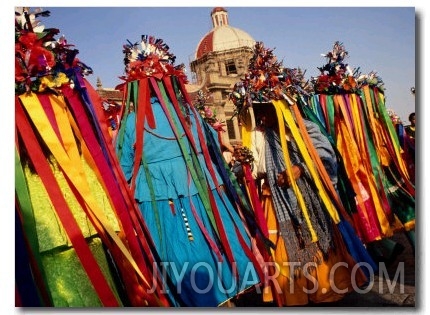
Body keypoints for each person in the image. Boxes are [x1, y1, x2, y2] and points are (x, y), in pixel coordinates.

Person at [115, 35, 263, 307]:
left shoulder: (131, 124)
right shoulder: (191, 115)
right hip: (207, 199)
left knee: (180, 266)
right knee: (217, 256)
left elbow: (121, 171)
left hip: (160, 207)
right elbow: (214, 153)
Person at [242, 102, 368, 306]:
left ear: (279, 107)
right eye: (258, 112)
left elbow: (326, 157)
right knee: (286, 257)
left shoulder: (304, 127)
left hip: (310, 205)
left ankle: (326, 294)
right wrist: (244, 166)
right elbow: (258, 170)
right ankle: (297, 297)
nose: (262, 116)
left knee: (320, 255)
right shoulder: (262, 135)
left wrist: (299, 169)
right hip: (278, 204)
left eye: (265, 109)